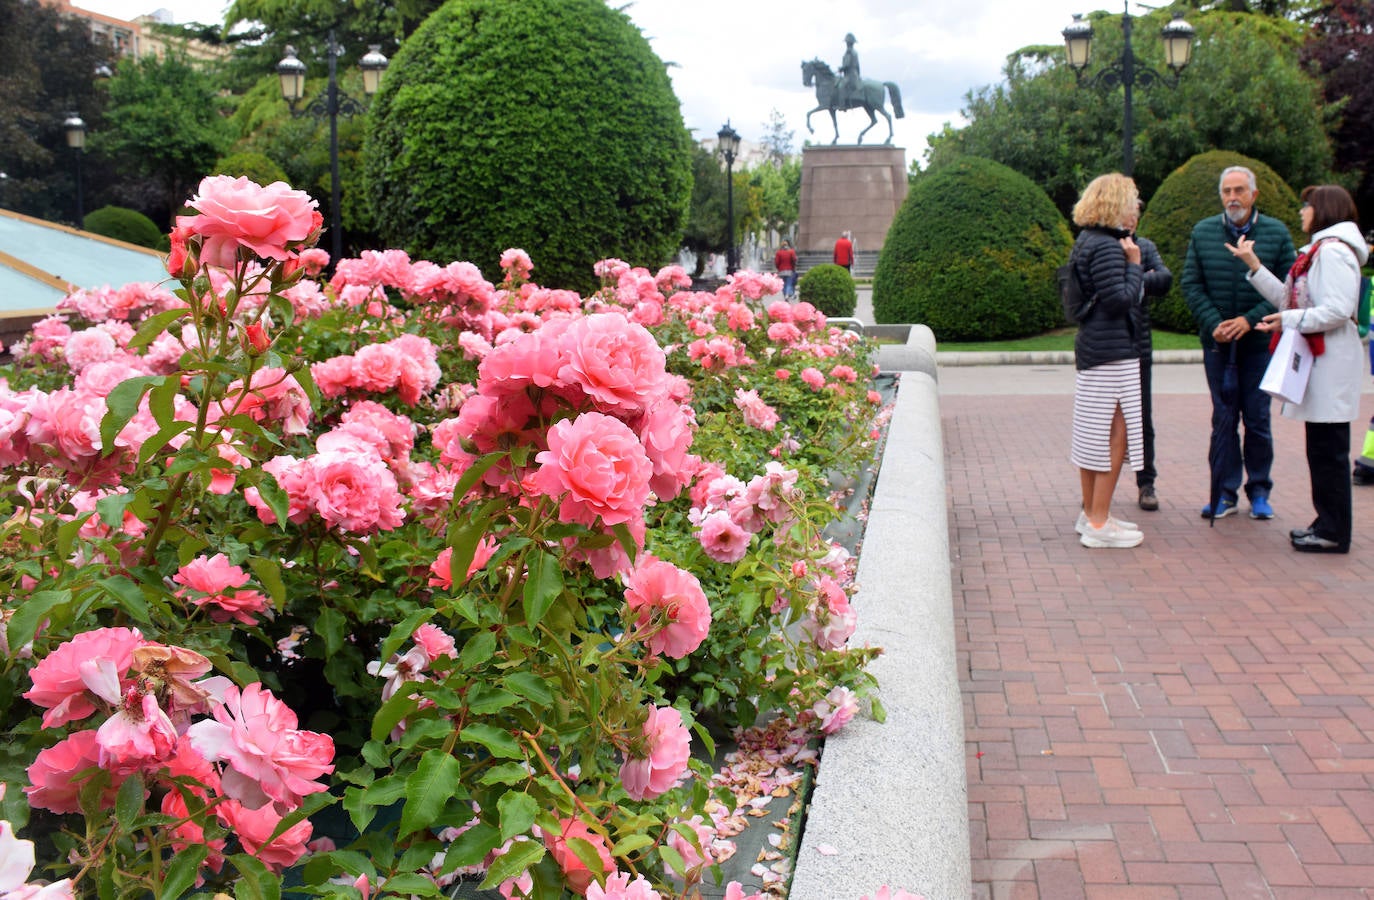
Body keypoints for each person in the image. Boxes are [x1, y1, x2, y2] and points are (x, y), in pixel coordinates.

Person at [1227, 184, 1368, 553]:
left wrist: (1289, 318)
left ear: (1323, 210)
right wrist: (1255, 268)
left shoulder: (1334, 252)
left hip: (1331, 362)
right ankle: (1326, 523)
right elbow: (1290, 299)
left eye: (1307, 206)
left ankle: (1334, 532)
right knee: (1321, 449)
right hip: (1322, 361)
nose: (1302, 212)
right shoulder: (1322, 251)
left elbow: (1336, 310)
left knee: (1329, 452)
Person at [1182, 165, 1296, 521]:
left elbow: (1289, 291)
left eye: (1239, 191)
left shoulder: (1276, 233)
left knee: (1258, 418)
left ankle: (1259, 490)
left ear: (1253, 195)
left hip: (1259, 344)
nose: (1233, 198)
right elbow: (1191, 284)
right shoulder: (1203, 232)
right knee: (1224, 419)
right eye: (1227, 192)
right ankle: (1224, 492)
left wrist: (1249, 320)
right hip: (1218, 344)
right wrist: (1214, 323)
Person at [1069, 173, 1147, 549]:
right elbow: (1119, 300)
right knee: (1114, 432)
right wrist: (1134, 265)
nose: (1136, 207)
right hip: (1112, 349)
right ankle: (1099, 521)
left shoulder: (1088, 240)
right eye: (1132, 200)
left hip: (1095, 347)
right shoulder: (1108, 246)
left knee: (1093, 434)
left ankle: (1093, 513)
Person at [1125, 201, 1173, 511]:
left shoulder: (1145, 246)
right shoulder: (1100, 246)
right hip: (1107, 348)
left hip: (1138, 345)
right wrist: (1138, 275)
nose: (1130, 220)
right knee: (1103, 422)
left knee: (1143, 419)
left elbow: (1164, 279)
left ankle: (1146, 482)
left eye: (1134, 215)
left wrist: (1133, 276)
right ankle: (1097, 488)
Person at [839, 33, 860, 107]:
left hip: (850, 75)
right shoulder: (855, 52)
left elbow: (847, 65)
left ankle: (842, 105)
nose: (846, 44)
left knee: (841, 86)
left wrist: (841, 68)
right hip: (854, 74)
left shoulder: (849, 52)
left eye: (847, 43)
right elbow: (858, 66)